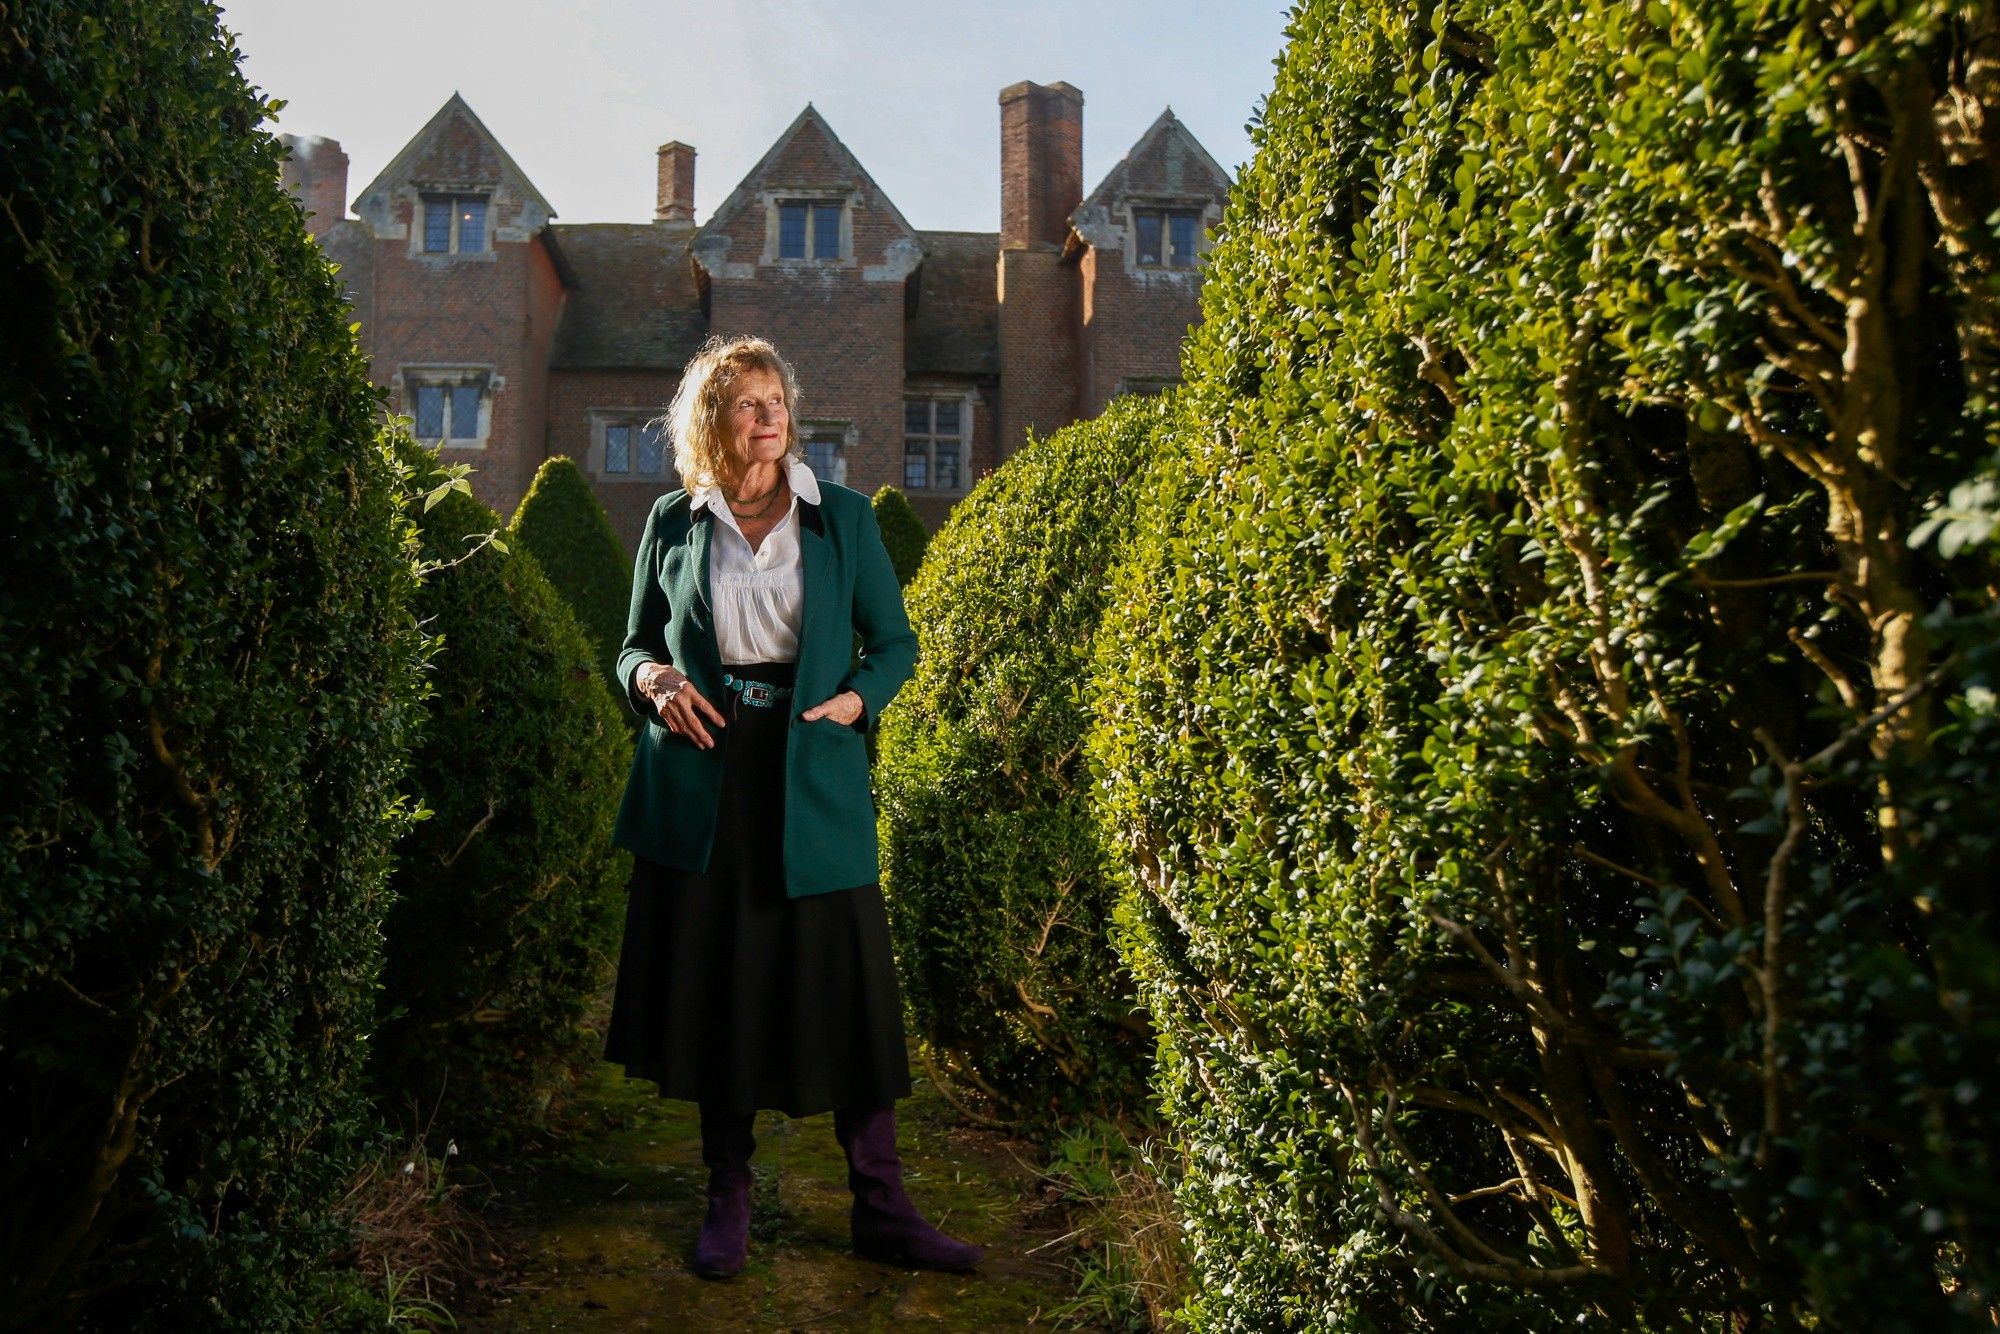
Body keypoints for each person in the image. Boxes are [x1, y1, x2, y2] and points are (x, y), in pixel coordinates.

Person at [601, 334, 983, 1281]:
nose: (768, 416)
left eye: (777, 399)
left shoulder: (844, 519)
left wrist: (856, 701)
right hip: (705, 772)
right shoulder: (672, 522)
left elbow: (895, 644)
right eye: (747, 402)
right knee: (723, 986)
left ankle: (883, 1209)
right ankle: (728, 1197)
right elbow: (632, 643)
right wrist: (652, 680)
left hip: (812, 774)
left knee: (849, 993)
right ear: (713, 421)